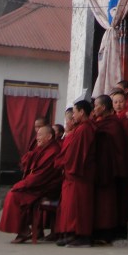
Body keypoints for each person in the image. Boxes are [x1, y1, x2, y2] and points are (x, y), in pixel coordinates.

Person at [0, 125, 61, 243]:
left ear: (49, 136)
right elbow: (28, 162)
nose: (37, 138)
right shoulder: (42, 148)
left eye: (40, 135)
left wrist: (22, 184)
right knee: (14, 193)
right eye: (37, 135)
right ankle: (24, 230)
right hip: (38, 184)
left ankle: (24, 231)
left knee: (14, 195)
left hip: (46, 187)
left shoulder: (53, 151)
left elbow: (41, 175)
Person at [55, 99, 97, 247]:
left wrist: (68, 166)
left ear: (82, 112)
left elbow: (79, 153)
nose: (73, 115)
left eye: (75, 111)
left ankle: (82, 236)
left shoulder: (85, 129)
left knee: (80, 206)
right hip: (75, 172)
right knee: (72, 206)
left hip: (80, 173)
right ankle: (72, 233)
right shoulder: (81, 128)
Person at [92, 94, 128, 242]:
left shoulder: (113, 124)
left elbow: (118, 148)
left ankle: (108, 232)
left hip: (110, 169)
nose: (94, 109)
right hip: (102, 168)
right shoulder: (101, 122)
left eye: (96, 106)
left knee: (108, 202)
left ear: (102, 107)